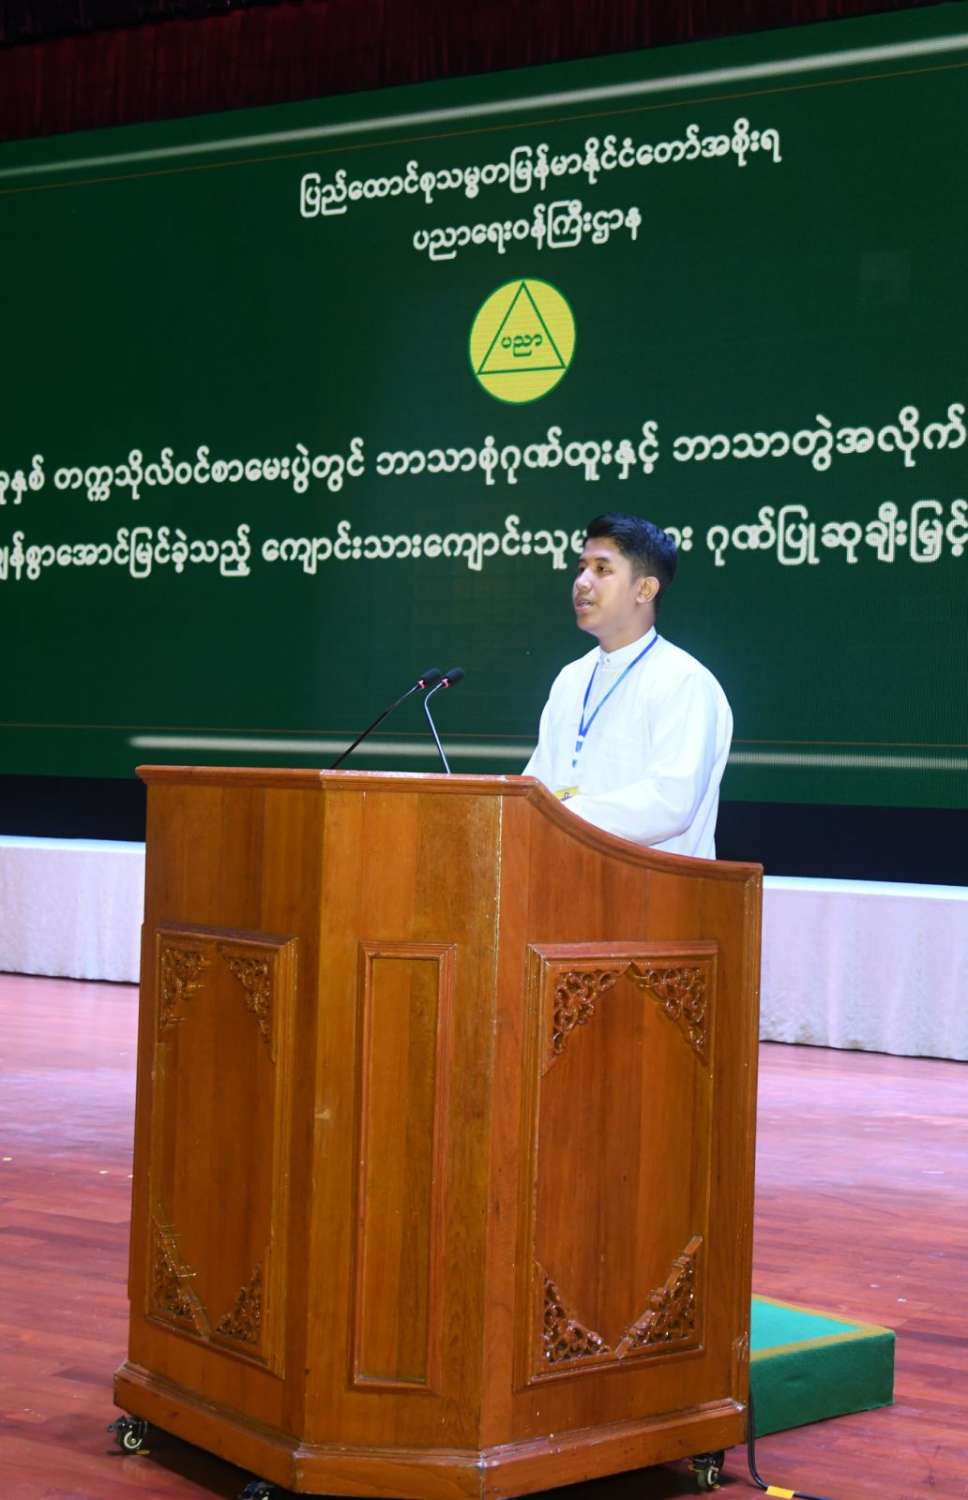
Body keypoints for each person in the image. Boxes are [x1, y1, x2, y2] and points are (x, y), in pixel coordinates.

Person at [523, 512, 732, 859]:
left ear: (645, 589)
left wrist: (562, 812)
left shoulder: (683, 679)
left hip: (656, 886)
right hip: (565, 879)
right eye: (581, 568)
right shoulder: (571, 678)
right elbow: (537, 786)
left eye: (602, 569)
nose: (582, 582)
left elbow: (671, 803)